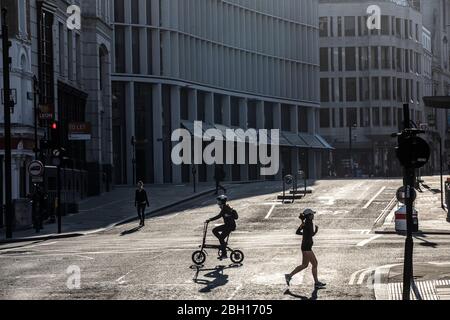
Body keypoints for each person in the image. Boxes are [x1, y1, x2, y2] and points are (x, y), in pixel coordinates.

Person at [285, 209, 326, 289]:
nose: (313, 215)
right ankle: (316, 282)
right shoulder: (309, 223)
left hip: (305, 246)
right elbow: (311, 234)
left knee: (305, 265)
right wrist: (315, 231)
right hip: (307, 247)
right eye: (312, 214)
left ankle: (289, 276)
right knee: (315, 264)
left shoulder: (305, 223)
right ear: (309, 216)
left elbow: (297, 232)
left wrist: (305, 232)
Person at [206, 195, 238, 259]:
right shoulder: (224, 207)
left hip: (230, 226)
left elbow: (219, 216)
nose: (217, 202)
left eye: (218, 201)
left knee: (217, 234)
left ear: (221, 202)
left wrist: (210, 219)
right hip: (228, 225)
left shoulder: (225, 208)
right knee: (216, 232)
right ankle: (223, 244)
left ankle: (224, 254)